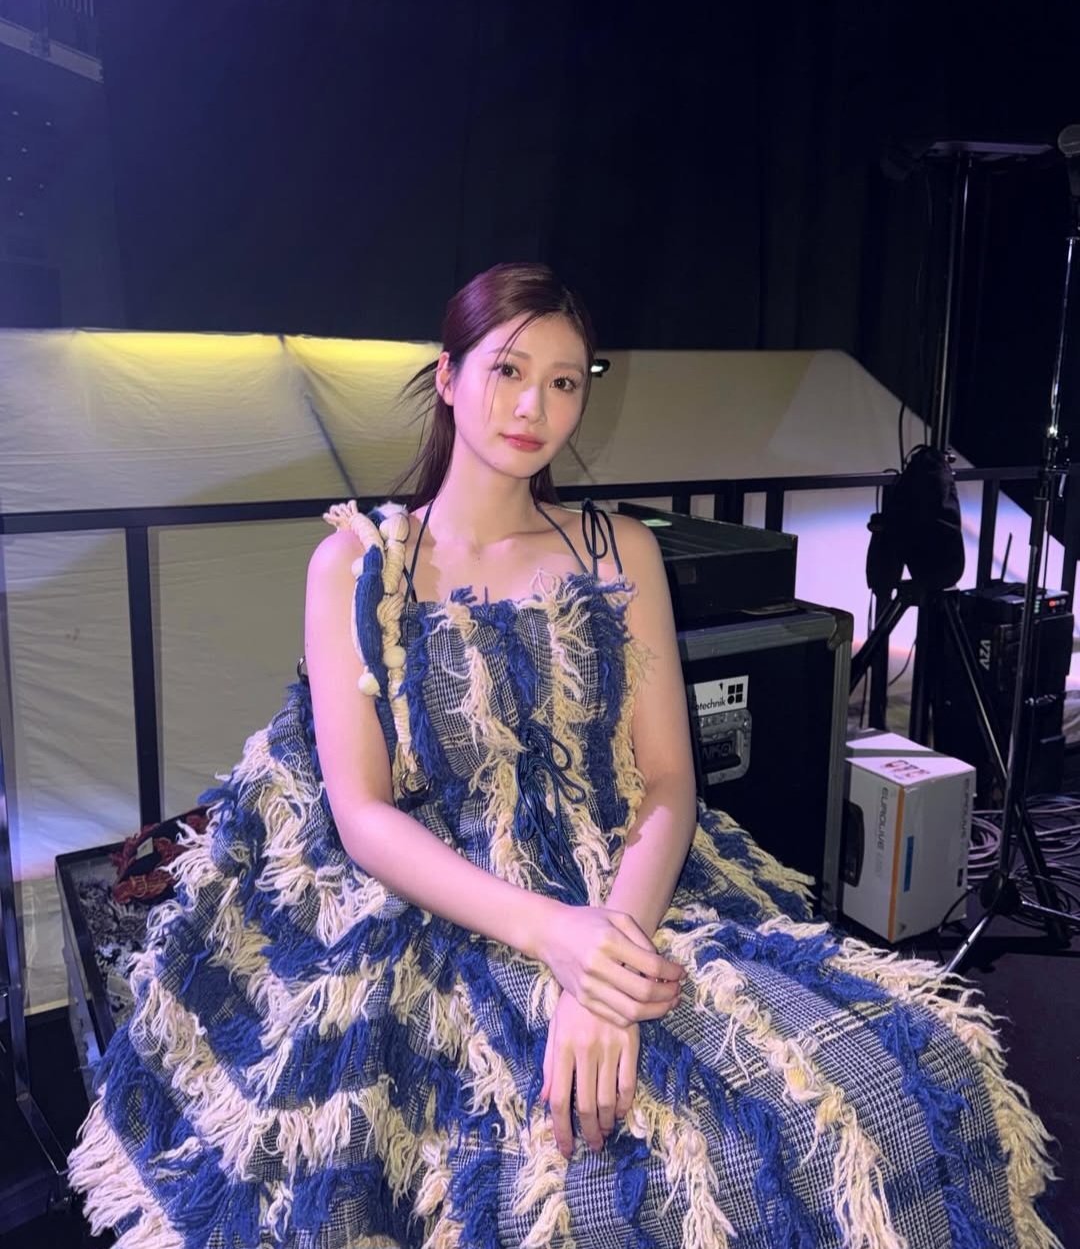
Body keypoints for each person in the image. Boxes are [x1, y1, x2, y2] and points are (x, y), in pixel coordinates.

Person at [68, 261, 1062, 1248]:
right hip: (439, 897)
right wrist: (555, 937)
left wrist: (607, 956)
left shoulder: (617, 548)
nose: (533, 407)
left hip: (626, 876)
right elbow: (362, 814)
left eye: (564, 382)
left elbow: (669, 780)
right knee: (572, 1182)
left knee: (900, 1079)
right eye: (507, 370)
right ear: (448, 376)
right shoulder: (359, 564)